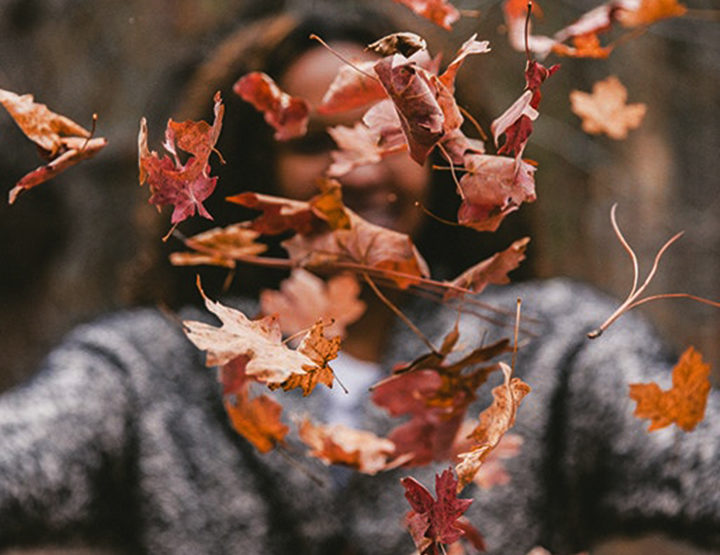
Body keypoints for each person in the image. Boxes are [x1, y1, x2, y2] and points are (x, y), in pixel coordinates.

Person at [0, 4, 718, 555]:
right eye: (313, 143)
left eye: (392, 136)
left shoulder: (551, 346)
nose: (361, 168)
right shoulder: (148, 369)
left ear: (445, 152)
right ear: (257, 169)